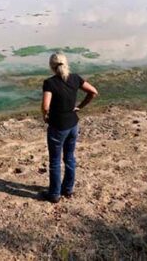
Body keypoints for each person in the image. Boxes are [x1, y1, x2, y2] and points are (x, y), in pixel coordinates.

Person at [40, 53, 98, 203]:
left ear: (51, 66)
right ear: (66, 63)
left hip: (58, 127)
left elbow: (46, 106)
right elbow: (93, 92)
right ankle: (68, 189)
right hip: (73, 124)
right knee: (70, 158)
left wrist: (45, 116)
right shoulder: (75, 78)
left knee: (55, 161)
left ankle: (54, 194)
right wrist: (80, 107)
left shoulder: (49, 83)